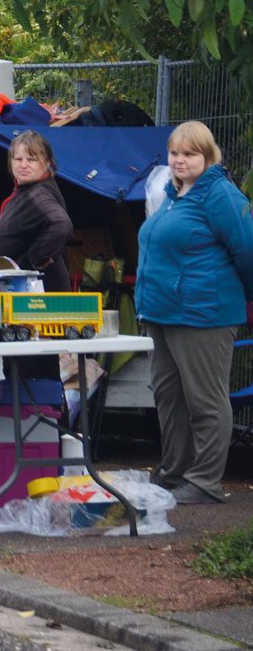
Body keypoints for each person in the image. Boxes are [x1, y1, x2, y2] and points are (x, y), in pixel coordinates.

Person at [136, 120, 253, 505]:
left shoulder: (220, 194)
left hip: (204, 314)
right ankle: (174, 473)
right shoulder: (173, 194)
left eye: (190, 154)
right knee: (169, 397)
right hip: (162, 313)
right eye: (174, 153)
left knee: (205, 399)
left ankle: (205, 482)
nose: (180, 160)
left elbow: (248, 249)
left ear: (208, 156)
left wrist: (246, 297)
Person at [0, 131, 75, 290]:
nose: (23, 165)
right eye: (18, 159)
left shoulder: (39, 195)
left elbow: (61, 224)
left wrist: (36, 258)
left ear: (47, 163)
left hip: (38, 293)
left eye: (31, 160)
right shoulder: (28, 190)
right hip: (23, 289)